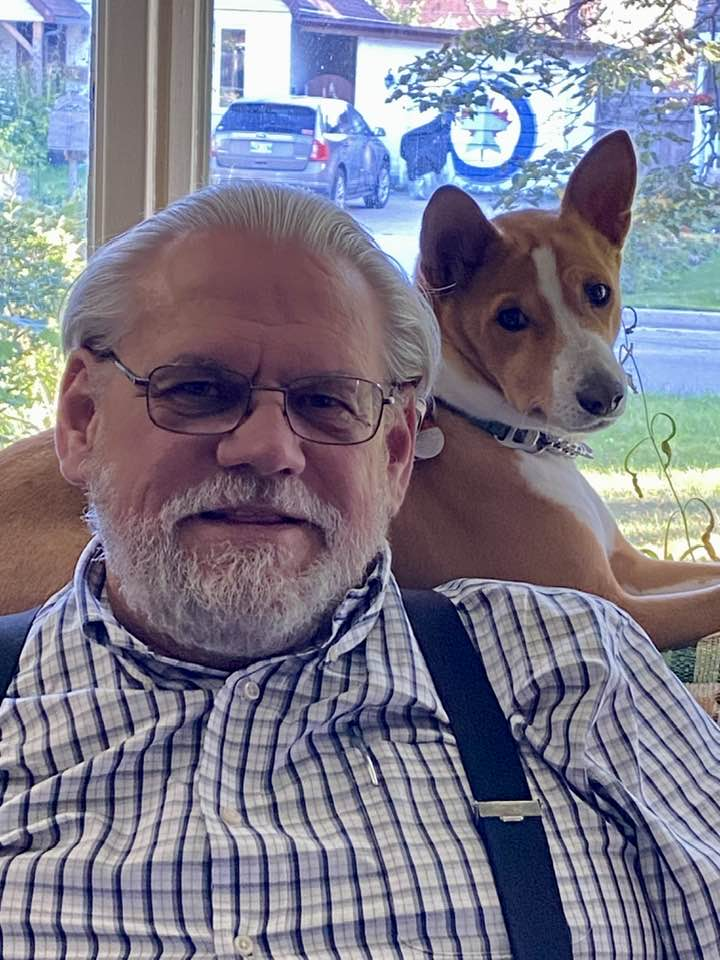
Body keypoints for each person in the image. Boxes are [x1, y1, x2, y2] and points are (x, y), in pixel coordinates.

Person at [0, 182, 718, 959]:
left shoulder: (578, 667)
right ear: (81, 419)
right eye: (198, 391)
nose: (268, 450)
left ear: (398, 449)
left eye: (327, 402)